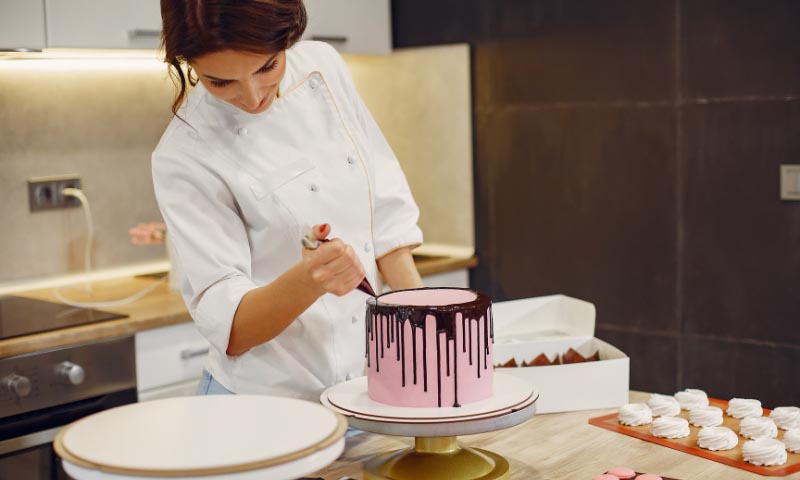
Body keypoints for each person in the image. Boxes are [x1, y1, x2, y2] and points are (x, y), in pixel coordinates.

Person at [153, 0, 424, 400]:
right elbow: (232, 331)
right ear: (187, 64)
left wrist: (428, 324)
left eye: (267, 68)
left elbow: (382, 209)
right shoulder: (183, 154)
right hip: (261, 406)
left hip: (364, 390)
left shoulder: (322, 66)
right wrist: (309, 280)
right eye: (219, 82)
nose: (252, 96)